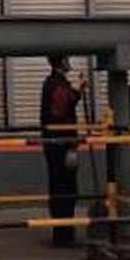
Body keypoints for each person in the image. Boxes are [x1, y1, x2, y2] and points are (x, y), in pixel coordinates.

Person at [41, 54, 87, 247]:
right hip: (61, 145)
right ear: (61, 63)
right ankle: (63, 235)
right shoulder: (54, 83)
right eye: (67, 60)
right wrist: (77, 92)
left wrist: (76, 91)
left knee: (60, 188)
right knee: (65, 188)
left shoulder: (53, 83)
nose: (70, 63)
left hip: (56, 145)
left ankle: (63, 232)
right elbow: (60, 108)